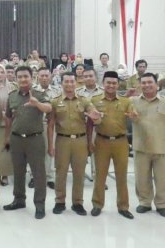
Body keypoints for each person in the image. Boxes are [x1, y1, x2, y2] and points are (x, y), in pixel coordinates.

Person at [3, 66, 52, 219]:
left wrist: (37, 103)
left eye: (26, 76)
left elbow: (49, 108)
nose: (23, 79)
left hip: (35, 139)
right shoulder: (11, 96)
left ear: (32, 78)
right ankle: (19, 200)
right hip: (17, 139)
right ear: (16, 79)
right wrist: (7, 137)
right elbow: (9, 118)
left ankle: (39, 204)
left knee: (38, 173)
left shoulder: (39, 94)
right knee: (18, 172)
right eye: (20, 77)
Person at [47, 72, 98, 216]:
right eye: (66, 81)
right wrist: (50, 145)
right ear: (61, 83)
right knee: (60, 172)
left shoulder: (84, 100)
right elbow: (50, 125)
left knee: (79, 173)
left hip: (80, 141)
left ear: (76, 83)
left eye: (72, 81)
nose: (69, 84)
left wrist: (90, 142)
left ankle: (77, 203)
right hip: (62, 140)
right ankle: (59, 201)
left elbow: (92, 117)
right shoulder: (55, 101)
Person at [89, 71, 135, 219]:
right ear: (103, 83)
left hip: (121, 142)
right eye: (108, 82)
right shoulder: (95, 100)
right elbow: (89, 123)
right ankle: (97, 204)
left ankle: (123, 206)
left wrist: (134, 118)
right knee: (100, 176)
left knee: (121, 176)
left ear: (118, 85)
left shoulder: (125, 102)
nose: (111, 85)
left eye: (114, 83)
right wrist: (89, 141)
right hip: (101, 141)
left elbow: (132, 119)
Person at [130, 73, 165, 217]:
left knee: (162, 179)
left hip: (161, 146)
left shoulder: (164, 102)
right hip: (141, 146)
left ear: (157, 85)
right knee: (141, 178)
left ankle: (162, 204)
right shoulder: (133, 101)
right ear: (140, 85)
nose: (146, 85)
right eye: (143, 83)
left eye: (150, 82)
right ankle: (144, 202)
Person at [30, 67, 61, 190]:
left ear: (50, 77)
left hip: (50, 124)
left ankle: (49, 177)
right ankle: (33, 176)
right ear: (37, 76)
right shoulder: (32, 91)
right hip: (35, 124)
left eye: (46, 76)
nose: (44, 78)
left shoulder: (57, 91)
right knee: (34, 152)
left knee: (50, 150)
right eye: (41, 75)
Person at [0, 64, 15, 186]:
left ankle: (5, 174)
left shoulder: (11, 87)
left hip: (7, 121)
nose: (0, 74)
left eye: (2, 72)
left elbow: (14, 102)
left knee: (6, 148)